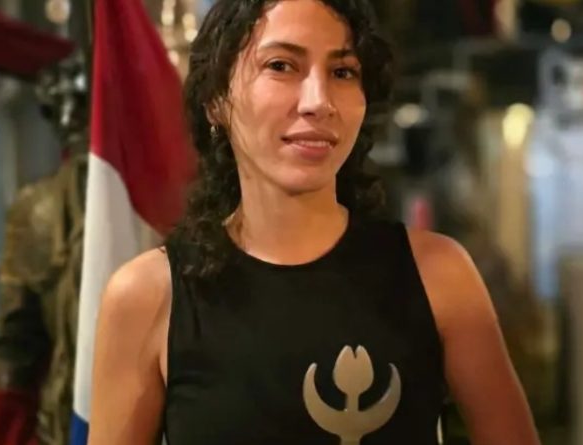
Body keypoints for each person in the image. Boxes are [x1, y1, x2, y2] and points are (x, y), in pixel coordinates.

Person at [88, 1, 541, 444]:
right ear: (216, 99)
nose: (318, 101)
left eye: (342, 72)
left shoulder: (437, 275)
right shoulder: (149, 296)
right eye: (281, 66)